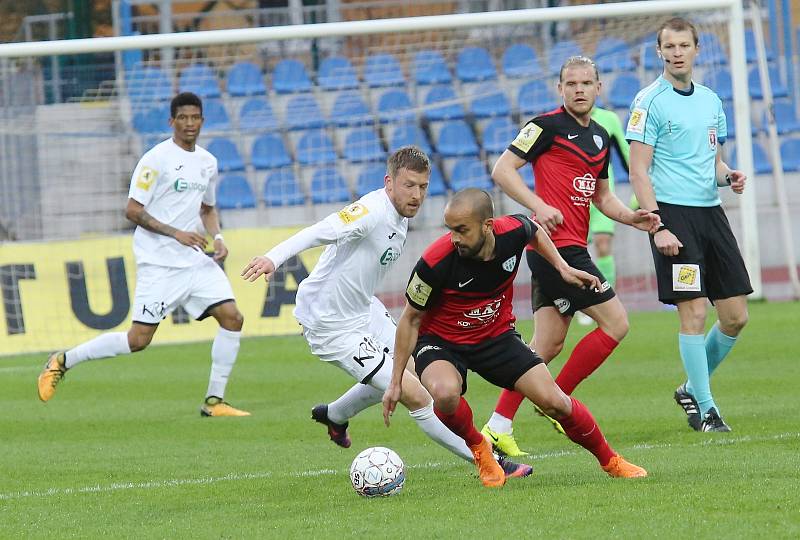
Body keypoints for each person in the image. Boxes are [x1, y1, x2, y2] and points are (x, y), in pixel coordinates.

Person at [241, 147, 532, 480]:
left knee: (411, 369)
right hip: (331, 326)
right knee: (416, 394)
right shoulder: (371, 210)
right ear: (389, 182)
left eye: (423, 187)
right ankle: (488, 460)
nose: (417, 195)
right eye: (409, 185)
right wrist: (272, 259)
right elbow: (319, 230)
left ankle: (334, 415)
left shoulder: (400, 217)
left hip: (365, 311)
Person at [382, 189, 647, 488]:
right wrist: (395, 383)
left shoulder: (512, 231)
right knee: (444, 394)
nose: (454, 238)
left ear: (487, 225)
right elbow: (409, 320)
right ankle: (480, 447)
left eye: (462, 230)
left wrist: (562, 267)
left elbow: (533, 230)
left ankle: (610, 461)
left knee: (555, 402)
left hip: (496, 336)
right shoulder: (435, 261)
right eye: (450, 230)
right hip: (443, 341)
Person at [478, 56, 659, 456]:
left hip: (567, 247)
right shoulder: (543, 127)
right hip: (556, 247)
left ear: (598, 88)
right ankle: (561, 404)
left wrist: (633, 218)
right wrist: (537, 205)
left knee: (546, 346)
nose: (579, 89)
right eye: (571, 83)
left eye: (586, 83)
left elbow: (603, 197)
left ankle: (497, 427)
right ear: (560, 89)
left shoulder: (600, 138)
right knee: (616, 323)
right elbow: (502, 170)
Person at [37, 92, 249, 417]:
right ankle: (62, 360)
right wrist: (176, 232)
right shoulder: (155, 159)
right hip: (159, 263)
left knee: (233, 318)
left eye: (195, 118)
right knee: (138, 340)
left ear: (202, 121)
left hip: (194, 260)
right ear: (172, 121)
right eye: (183, 118)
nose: (190, 123)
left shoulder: (208, 162)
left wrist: (217, 236)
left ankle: (214, 401)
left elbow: (207, 209)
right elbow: (133, 211)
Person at [626, 17, 751, 432]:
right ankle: (707, 408)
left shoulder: (712, 101)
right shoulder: (649, 101)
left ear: (697, 50)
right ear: (659, 52)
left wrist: (728, 176)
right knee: (694, 311)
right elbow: (639, 171)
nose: (677, 52)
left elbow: (712, 163)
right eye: (670, 46)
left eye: (684, 45)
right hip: (672, 215)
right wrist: (656, 225)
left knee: (735, 316)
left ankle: (690, 388)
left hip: (711, 213)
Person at [576, 105, 631, 325]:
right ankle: (584, 302)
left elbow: (626, 156)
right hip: (574, 198)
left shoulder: (609, 119)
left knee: (602, 244)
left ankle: (607, 298)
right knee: (578, 250)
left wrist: (639, 189)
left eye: (587, 83)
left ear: (597, 88)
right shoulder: (562, 122)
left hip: (603, 195)